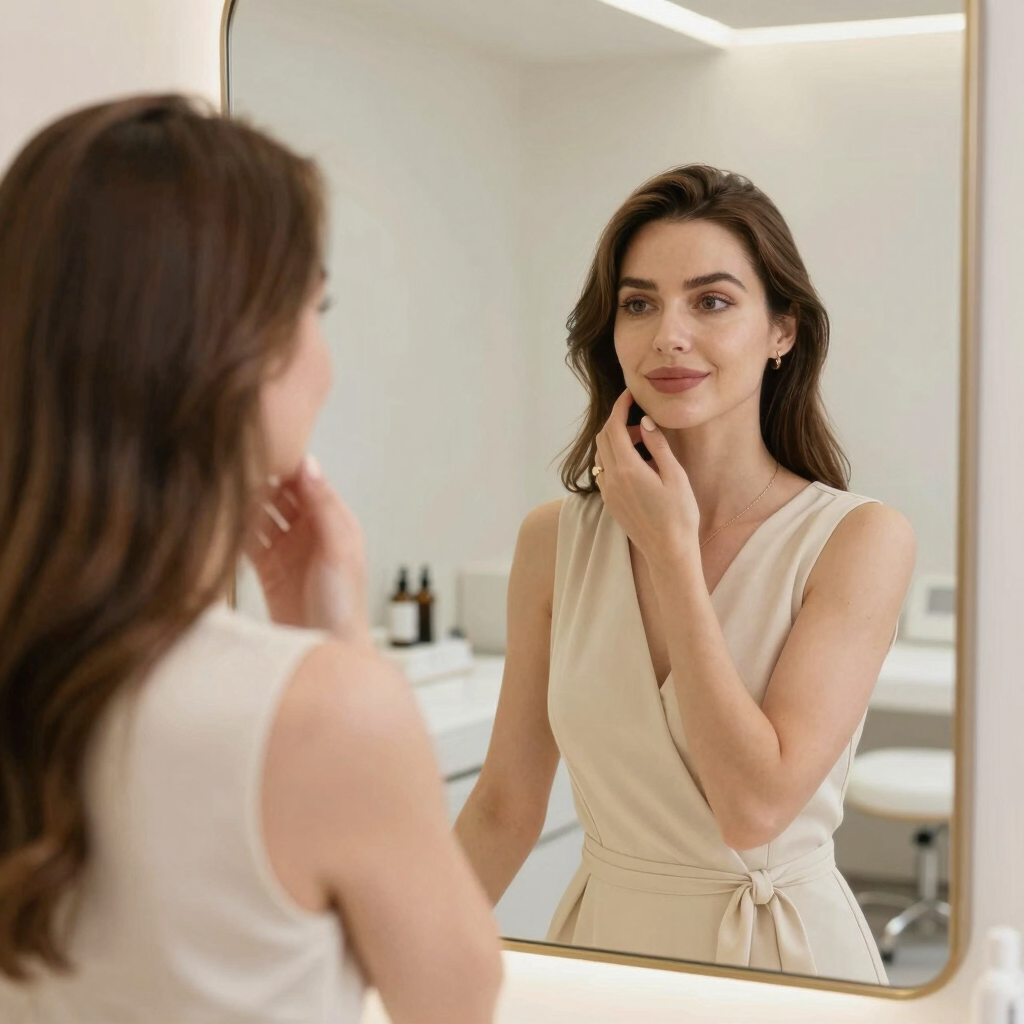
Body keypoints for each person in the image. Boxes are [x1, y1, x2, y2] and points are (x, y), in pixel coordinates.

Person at [0, 95, 502, 1024]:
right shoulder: (329, 713)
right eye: (317, 308)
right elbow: (455, 1003)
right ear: (228, 351)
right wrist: (340, 647)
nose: (326, 360)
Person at [454, 164, 915, 984]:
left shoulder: (858, 540)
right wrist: (358, 978)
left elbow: (754, 808)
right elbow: (502, 808)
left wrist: (670, 553)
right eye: (639, 304)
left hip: (781, 967)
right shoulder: (553, 540)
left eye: (711, 301)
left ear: (782, 331)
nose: (668, 334)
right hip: (605, 958)